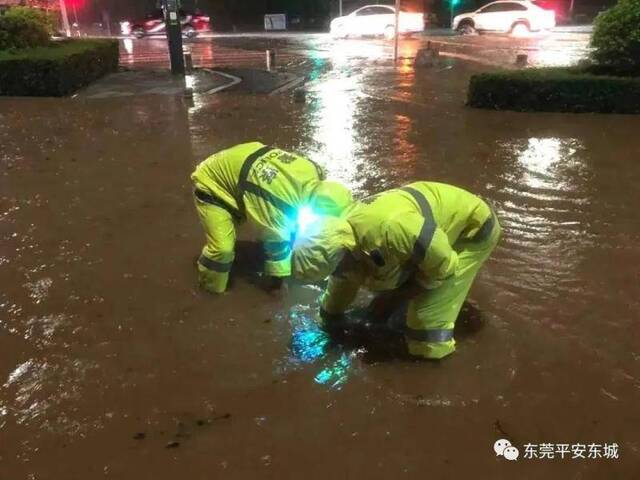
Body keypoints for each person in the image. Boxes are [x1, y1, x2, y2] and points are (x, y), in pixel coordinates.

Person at [291, 181, 501, 360]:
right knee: (384, 283)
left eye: (339, 268)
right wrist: (328, 317)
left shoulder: (393, 229)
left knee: (425, 326)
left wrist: (394, 298)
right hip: (426, 236)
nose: (340, 273)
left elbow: (444, 267)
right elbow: (341, 285)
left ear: (344, 253)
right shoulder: (339, 238)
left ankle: (433, 359)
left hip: (471, 232)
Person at [191, 141, 352, 294]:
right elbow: (275, 241)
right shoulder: (280, 203)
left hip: (243, 157)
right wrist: (277, 285)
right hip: (213, 183)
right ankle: (210, 288)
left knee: (289, 226)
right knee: (222, 250)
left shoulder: (313, 170)